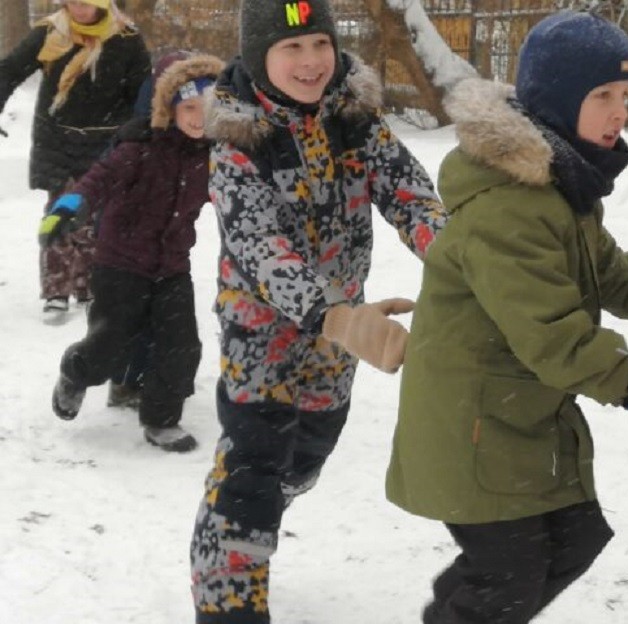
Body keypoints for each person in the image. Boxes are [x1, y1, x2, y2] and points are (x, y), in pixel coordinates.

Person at [384, 11, 628, 624]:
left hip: (515, 413)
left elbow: (603, 266)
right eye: (602, 96)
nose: (620, 111)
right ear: (558, 100)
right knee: (508, 575)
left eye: (625, 95)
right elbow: (552, 332)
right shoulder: (509, 207)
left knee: (573, 538)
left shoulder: (557, 185)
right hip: (475, 424)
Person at [188, 0, 447, 621]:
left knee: (306, 459)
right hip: (263, 337)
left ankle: (259, 516)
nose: (310, 62)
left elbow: (409, 194)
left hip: (339, 341)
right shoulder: (238, 139)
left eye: (319, 44)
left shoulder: (353, 118)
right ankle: (227, 589)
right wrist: (335, 316)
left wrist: (458, 259)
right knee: (252, 471)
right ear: (259, 57)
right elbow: (263, 249)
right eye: (291, 48)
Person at [43, 50, 225, 452]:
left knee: (181, 346)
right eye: (190, 107)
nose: (200, 117)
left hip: (173, 266)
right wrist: (71, 206)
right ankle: (76, 371)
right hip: (119, 264)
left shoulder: (214, 156)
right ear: (168, 107)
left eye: (209, 109)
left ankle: (162, 420)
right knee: (110, 346)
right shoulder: (138, 147)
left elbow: (240, 194)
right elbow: (98, 179)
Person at [0, 0, 150, 320]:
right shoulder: (50, 33)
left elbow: (142, 93)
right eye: (72, 2)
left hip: (107, 139)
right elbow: (10, 70)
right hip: (57, 138)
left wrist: (143, 132)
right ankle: (57, 290)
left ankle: (89, 285)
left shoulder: (125, 38)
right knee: (60, 210)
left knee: (97, 217)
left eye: (85, 3)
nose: (77, 9)